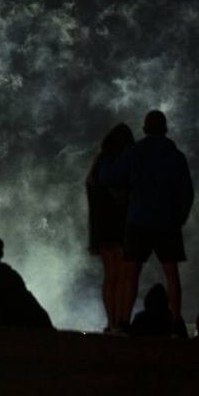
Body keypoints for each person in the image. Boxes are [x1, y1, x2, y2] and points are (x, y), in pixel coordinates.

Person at [98, 110, 194, 327]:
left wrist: (104, 158)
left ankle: (123, 320)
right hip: (167, 221)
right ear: (165, 128)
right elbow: (186, 191)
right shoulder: (176, 156)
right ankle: (177, 319)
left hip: (138, 220)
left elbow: (110, 177)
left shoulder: (134, 152)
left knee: (131, 273)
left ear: (145, 128)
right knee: (171, 272)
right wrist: (180, 217)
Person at [87, 123, 134, 332]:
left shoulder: (97, 166)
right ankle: (122, 320)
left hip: (102, 226)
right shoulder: (126, 163)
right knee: (124, 275)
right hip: (123, 224)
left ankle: (111, 321)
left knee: (110, 276)